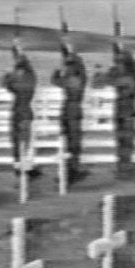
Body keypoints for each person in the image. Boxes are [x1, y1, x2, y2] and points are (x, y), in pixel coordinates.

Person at [99, 42, 135, 178]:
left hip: (127, 111)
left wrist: (107, 76)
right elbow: (97, 83)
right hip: (122, 109)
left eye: (119, 61)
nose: (117, 63)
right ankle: (122, 168)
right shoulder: (125, 73)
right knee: (121, 140)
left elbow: (114, 81)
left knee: (126, 141)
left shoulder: (130, 75)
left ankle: (125, 168)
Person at [51, 42, 88, 183]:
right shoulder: (80, 76)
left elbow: (55, 80)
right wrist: (66, 50)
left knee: (70, 142)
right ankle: (72, 170)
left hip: (70, 111)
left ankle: (71, 172)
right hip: (73, 111)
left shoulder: (72, 79)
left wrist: (58, 69)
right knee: (71, 141)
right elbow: (76, 66)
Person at [2, 46, 41, 177]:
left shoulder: (20, 79)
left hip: (18, 112)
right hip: (24, 113)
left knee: (19, 141)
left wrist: (8, 75)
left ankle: (21, 167)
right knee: (24, 141)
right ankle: (24, 167)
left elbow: (7, 84)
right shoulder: (30, 78)